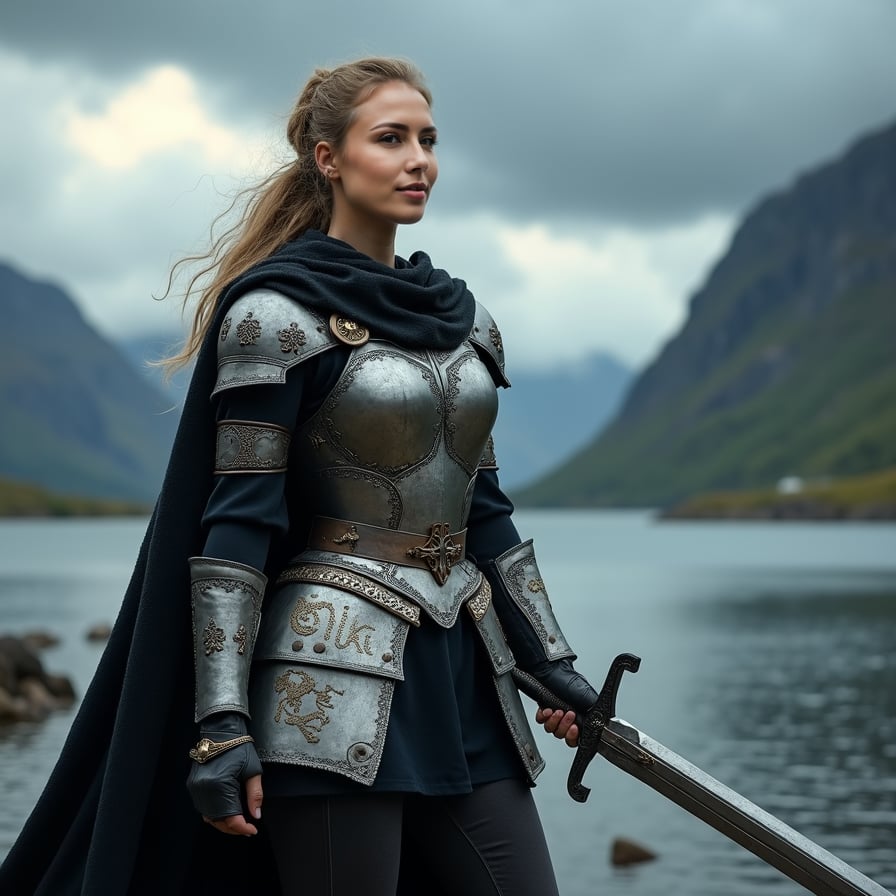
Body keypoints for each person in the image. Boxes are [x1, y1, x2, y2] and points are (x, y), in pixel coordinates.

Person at [0, 57, 599, 896]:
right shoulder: (273, 319)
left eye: (427, 140)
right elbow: (237, 529)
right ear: (329, 159)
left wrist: (552, 659)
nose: (417, 159)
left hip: (465, 669)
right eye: (389, 139)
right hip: (326, 670)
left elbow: (483, 511)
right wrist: (220, 726)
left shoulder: (467, 324)